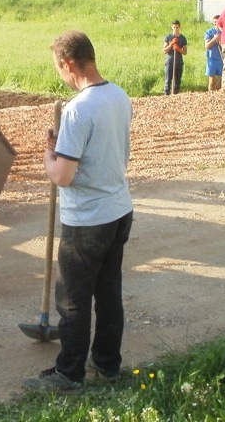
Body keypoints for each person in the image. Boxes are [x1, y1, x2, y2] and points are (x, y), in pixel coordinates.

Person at [24, 30, 134, 395]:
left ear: (68, 63)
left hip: (87, 220)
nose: (60, 74)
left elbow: (63, 176)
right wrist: (64, 148)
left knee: (72, 299)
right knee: (108, 292)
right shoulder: (119, 96)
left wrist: (48, 154)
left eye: (59, 67)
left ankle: (69, 374)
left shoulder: (77, 109)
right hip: (119, 211)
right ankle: (107, 364)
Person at [162, 20, 187, 95]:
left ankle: (176, 94)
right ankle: (167, 94)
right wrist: (171, 44)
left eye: (177, 27)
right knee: (168, 79)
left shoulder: (183, 38)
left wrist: (179, 49)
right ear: (172, 27)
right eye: (174, 27)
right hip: (170, 60)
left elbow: (185, 52)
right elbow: (164, 51)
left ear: (180, 27)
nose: (175, 29)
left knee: (177, 80)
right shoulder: (168, 37)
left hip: (179, 61)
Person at [204, 15, 222, 91]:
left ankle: (217, 94)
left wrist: (220, 40)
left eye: (218, 22)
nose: (216, 24)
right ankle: (210, 95)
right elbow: (207, 46)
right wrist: (215, 39)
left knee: (222, 79)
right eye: (215, 22)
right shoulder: (209, 32)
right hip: (212, 59)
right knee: (211, 81)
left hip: (222, 59)